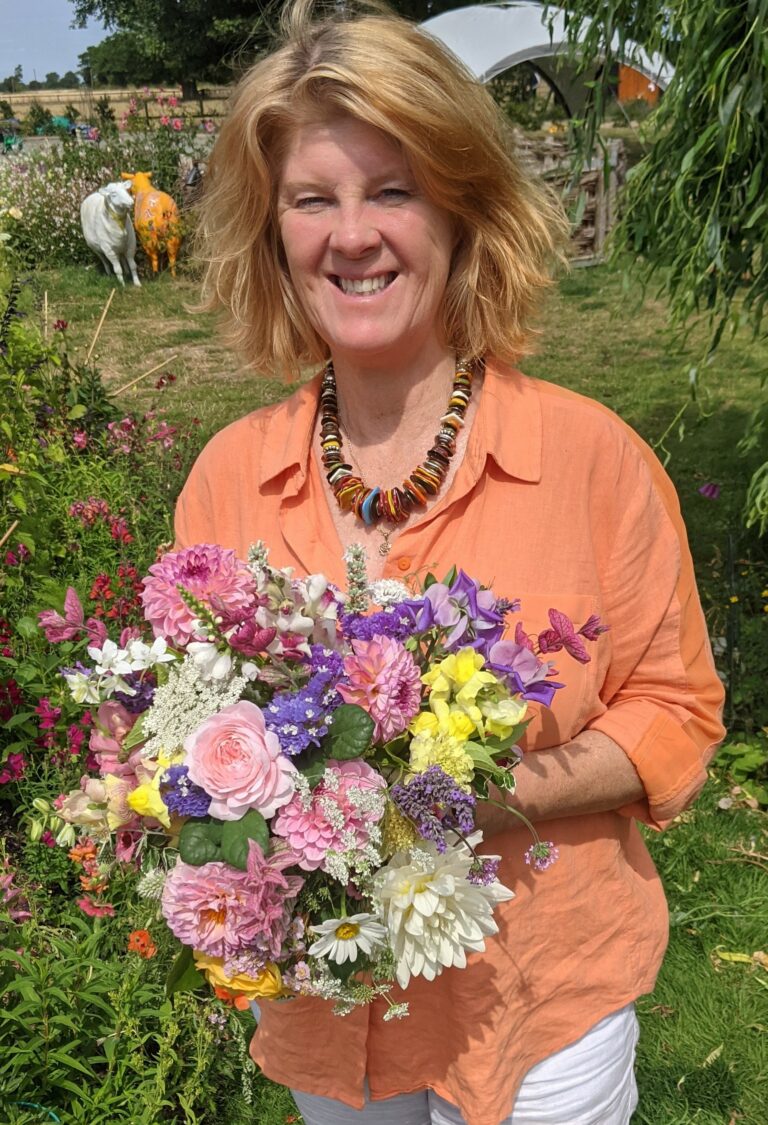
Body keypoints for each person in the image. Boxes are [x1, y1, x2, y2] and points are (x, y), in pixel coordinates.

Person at [174, 3, 725, 1122]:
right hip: (329, 1003)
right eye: (312, 199)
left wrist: (460, 799)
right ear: (271, 234)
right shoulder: (229, 480)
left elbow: (675, 709)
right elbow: (185, 728)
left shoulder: (589, 458)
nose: (353, 236)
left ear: (462, 211)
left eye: (394, 191)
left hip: (540, 998)